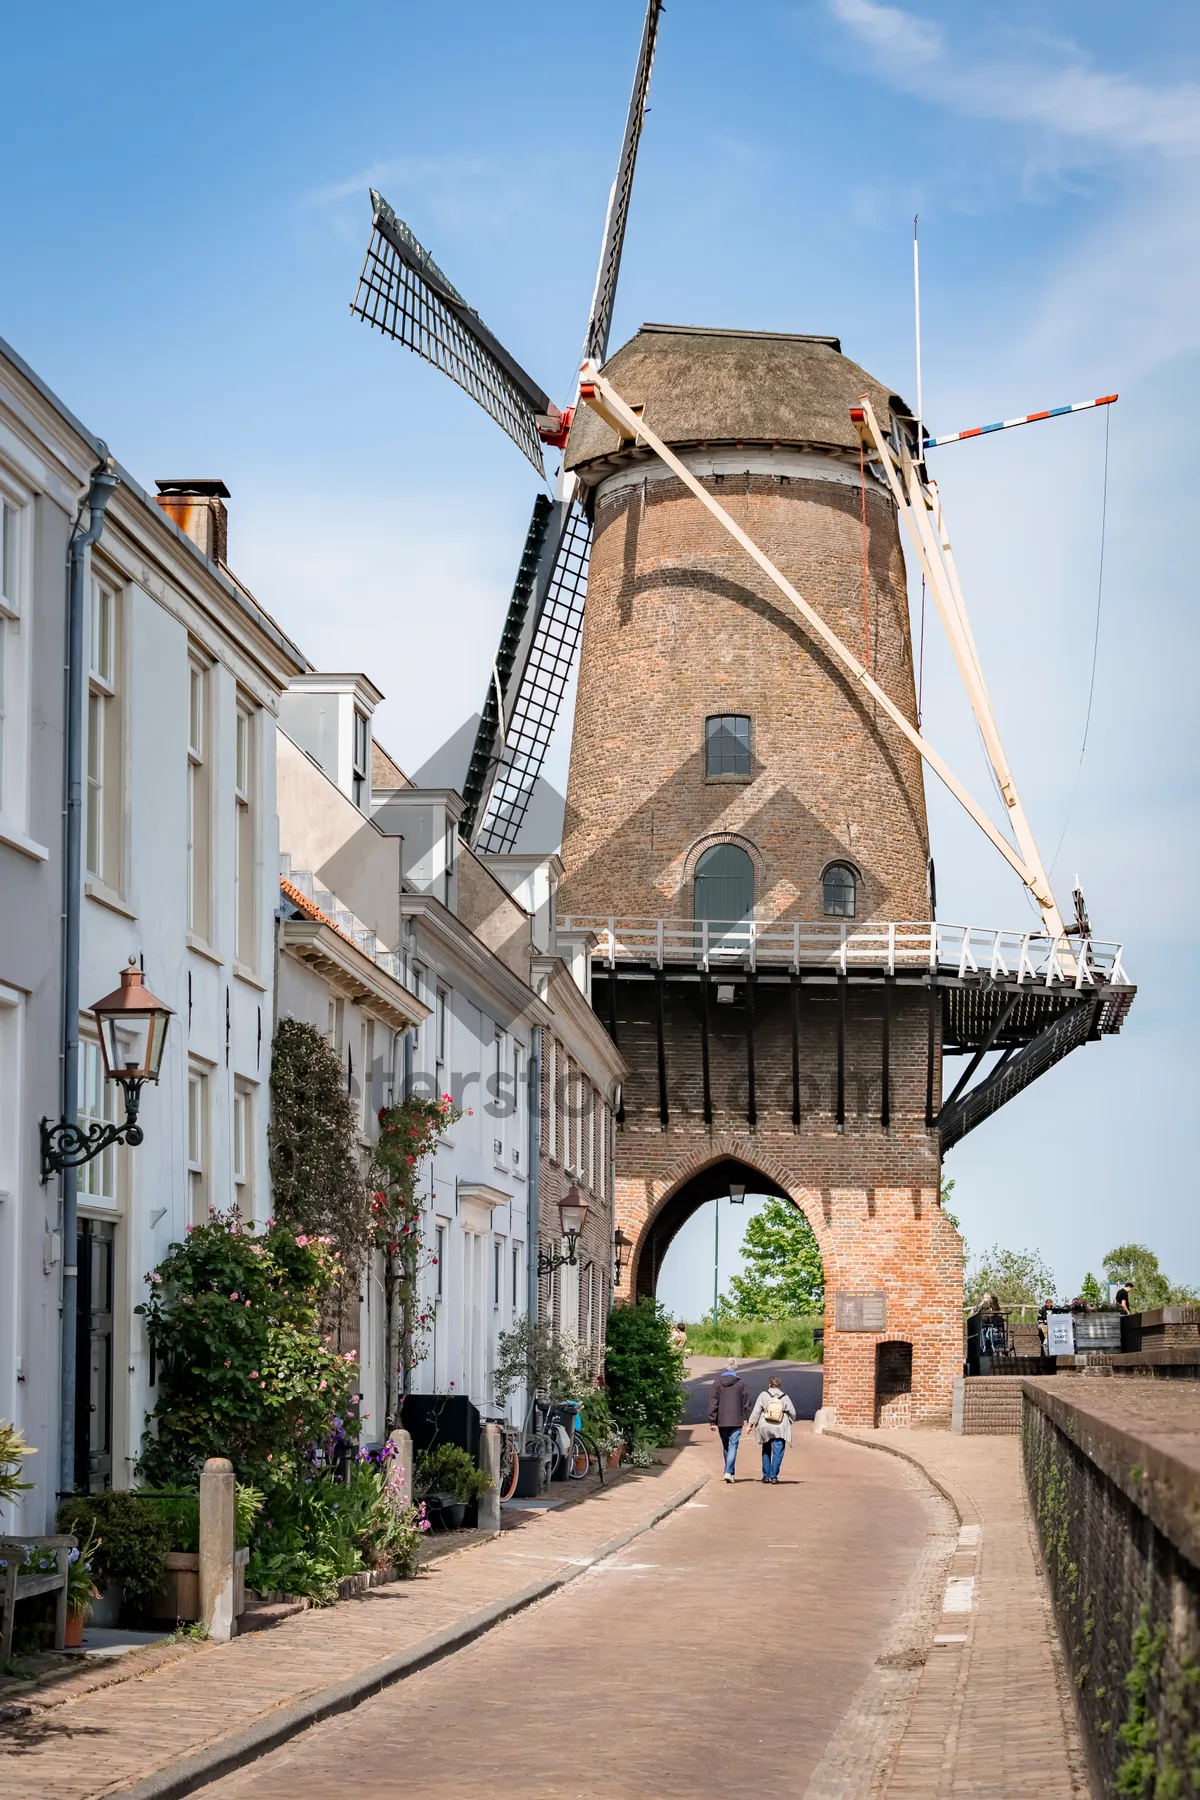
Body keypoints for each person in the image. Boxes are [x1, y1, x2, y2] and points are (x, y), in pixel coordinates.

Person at [707, 1357, 750, 1482]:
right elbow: (746, 1402)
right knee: (733, 1446)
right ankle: (728, 1471)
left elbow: (713, 1403)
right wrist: (749, 1420)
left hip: (722, 1421)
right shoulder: (741, 1383)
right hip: (736, 1420)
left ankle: (729, 1471)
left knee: (726, 1446)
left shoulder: (717, 1383)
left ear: (725, 1368)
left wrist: (712, 1421)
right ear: (736, 1369)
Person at [748, 1374, 797, 1483]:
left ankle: (766, 1476)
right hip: (779, 1427)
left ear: (769, 1384)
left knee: (766, 1449)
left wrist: (750, 1424)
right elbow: (792, 1413)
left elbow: (756, 1411)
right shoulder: (785, 1397)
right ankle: (773, 1476)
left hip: (765, 1426)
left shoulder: (763, 1395)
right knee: (778, 1451)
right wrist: (789, 1421)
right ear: (779, 1385)